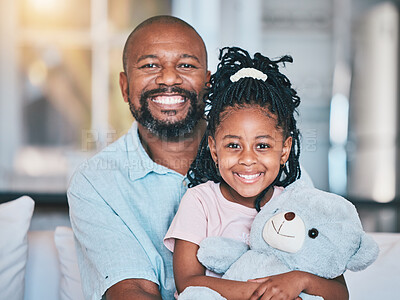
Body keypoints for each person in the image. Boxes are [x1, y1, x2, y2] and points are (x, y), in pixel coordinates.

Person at [164, 47, 349, 300]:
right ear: (214, 150)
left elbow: (340, 293)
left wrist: (299, 280)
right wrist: (263, 294)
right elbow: (188, 283)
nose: (248, 159)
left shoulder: (299, 204)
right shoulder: (200, 202)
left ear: (285, 150)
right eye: (233, 145)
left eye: (262, 146)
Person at [67, 15, 211, 300]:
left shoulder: (260, 159)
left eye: (186, 65)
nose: (169, 78)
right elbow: (133, 290)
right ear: (124, 86)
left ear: (208, 84)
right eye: (149, 65)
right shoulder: (95, 182)